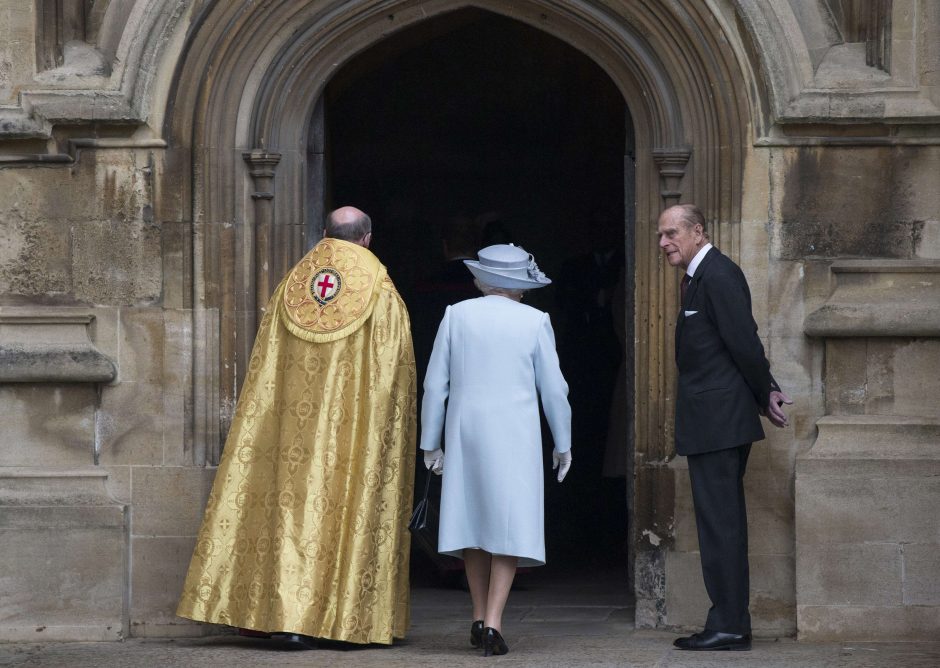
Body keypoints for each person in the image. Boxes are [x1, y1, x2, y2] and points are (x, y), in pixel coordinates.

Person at [176, 206, 416, 648]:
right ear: (366, 239)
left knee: (286, 510)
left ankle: (283, 618)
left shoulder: (292, 285)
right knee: (342, 509)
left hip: (288, 438)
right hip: (350, 437)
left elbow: (265, 371)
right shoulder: (380, 290)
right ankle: (341, 625)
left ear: (324, 234)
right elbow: (390, 378)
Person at [419, 244, 572, 657]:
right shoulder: (536, 321)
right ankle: (493, 623)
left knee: (472, 524)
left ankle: (477, 614)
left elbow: (435, 385)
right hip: (515, 434)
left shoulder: (456, 315)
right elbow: (554, 390)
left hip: (466, 432)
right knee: (507, 526)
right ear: (519, 284)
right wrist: (564, 442)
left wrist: (430, 441)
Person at [657, 204, 792, 652]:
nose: (663, 243)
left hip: (719, 423)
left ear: (698, 232)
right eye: (660, 235)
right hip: (713, 422)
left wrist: (764, 391)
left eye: (672, 233)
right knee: (720, 525)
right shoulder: (701, 276)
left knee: (722, 526)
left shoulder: (717, 274)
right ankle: (731, 622)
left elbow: (744, 342)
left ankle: (730, 625)